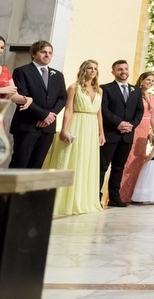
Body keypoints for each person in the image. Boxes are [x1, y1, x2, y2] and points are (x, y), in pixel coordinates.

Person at [43, 59, 105, 216]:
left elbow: (99, 113)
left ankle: (84, 200)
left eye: (95, 69)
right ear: (83, 70)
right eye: (90, 68)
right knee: (73, 160)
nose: (93, 71)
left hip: (91, 127)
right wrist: (64, 129)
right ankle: (64, 201)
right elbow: (69, 110)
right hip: (77, 123)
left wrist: (101, 132)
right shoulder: (73, 88)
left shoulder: (99, 90)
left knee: (87, 162)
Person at [10, 40, 65, 169]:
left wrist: (50, 117)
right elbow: (22, 96)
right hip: (27, 126)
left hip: (47, 129)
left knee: (36, 166)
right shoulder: (22, 71)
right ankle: (10, 190)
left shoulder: (57, 75)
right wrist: (43, 115)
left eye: (50, 53)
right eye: (43, 52)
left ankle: (29, 190)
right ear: (33, 54)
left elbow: (63, 98)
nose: (47, 55)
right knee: (20, 164)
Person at [99, 60, 144, 208]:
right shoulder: (105, 88)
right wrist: (118, 124)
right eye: (119, 69)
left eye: (125, 69)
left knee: (119, 167)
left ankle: (114, 197)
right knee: (102, 166)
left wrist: (131, 125)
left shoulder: (136, 90)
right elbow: (104, 110)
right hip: (110, 133)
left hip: (127, 135)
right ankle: (95, 196)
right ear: (113, 72)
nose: (123, 71)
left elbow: (139, 111)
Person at [119, 72, 154, 203]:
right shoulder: (134, 93)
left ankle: (136, 194)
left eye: (152, 80)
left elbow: (153, 117)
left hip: (145, 130)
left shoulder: (152, 97)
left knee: (139, 159)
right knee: (129, 159)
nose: (150, 82)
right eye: (148, 79)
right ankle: (123, 194)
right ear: (141, 79)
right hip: (135, 126)